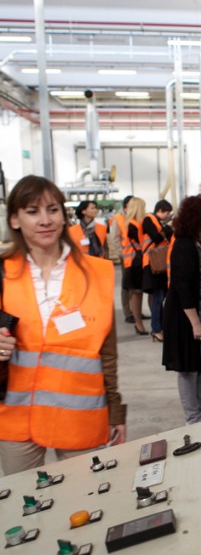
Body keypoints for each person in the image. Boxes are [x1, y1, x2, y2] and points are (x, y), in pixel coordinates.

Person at [0, 175, 126, 476]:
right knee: (24, 510)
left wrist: (115, 410)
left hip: (79, 417)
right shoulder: (2, 273)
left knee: (85, 507)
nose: (45, 220)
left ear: (64, 215)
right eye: (33, 211)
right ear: (15, 219)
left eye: (53, 210)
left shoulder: (96, 273)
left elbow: (106, 355)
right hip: (16, 417)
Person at [162, 194, 201, 424]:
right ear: (197, 218)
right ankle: (193, 418)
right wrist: (195, 322)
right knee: (189, 370)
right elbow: (182, 285)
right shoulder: (183, 245)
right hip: (189, 319)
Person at [141, 199, 173, 342]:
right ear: (160, 210)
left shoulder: (156, 221)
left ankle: (160, 327)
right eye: (167, 212)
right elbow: (156, 237)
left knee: (160, 298)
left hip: (158, 265)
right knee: (158, 298)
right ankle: (156, 329)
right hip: (151, 263)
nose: (168, 215)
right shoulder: (148, 220)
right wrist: (169, 227)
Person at [121, 196, 148, 334]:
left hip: (134, 263)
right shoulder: (133, 225)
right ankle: (138, 324)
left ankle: (139, 323)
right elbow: (142, 241)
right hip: (134, 264)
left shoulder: (133, 223)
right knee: (136, 293)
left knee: (138, 293)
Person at [109, 194, 134, 322]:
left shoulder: (136, 217)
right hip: (127, 257)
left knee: (136, 287)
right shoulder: (118, 218)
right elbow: (114, 239)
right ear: (126, 206)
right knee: (126, 286)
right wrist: (122, 254)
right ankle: (128, 312)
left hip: (137, 257)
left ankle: (136, 311)